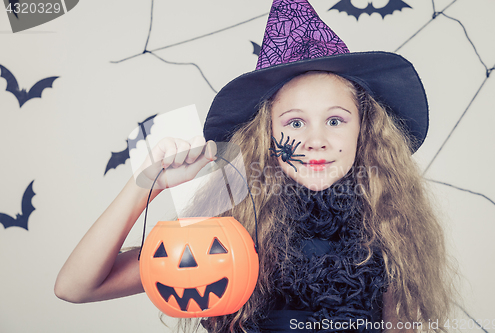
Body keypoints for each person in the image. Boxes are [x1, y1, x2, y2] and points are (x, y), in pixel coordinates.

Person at [55, 0, 457, 332]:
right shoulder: (233, 220)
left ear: (363, 131)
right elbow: (76, 287)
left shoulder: (390, 224)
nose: (316, 139)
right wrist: (147, 184)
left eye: (335, 120)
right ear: (267, 135)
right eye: (294, 122)